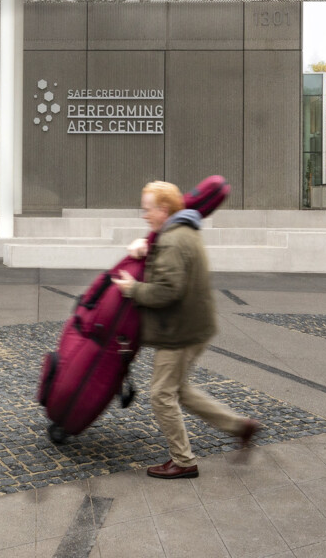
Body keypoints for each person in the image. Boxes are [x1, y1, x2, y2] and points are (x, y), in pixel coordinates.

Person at [112, 179, 260, 479]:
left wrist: (133, 289)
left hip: (177, 332)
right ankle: (239, 426)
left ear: (163, 209)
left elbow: (168, 291)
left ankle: (183, 461)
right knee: (180, 390)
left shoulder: (172, 239)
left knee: (161, 394)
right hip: (195, 327)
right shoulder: (184, 231)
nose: (144, 215)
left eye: (147, 210)